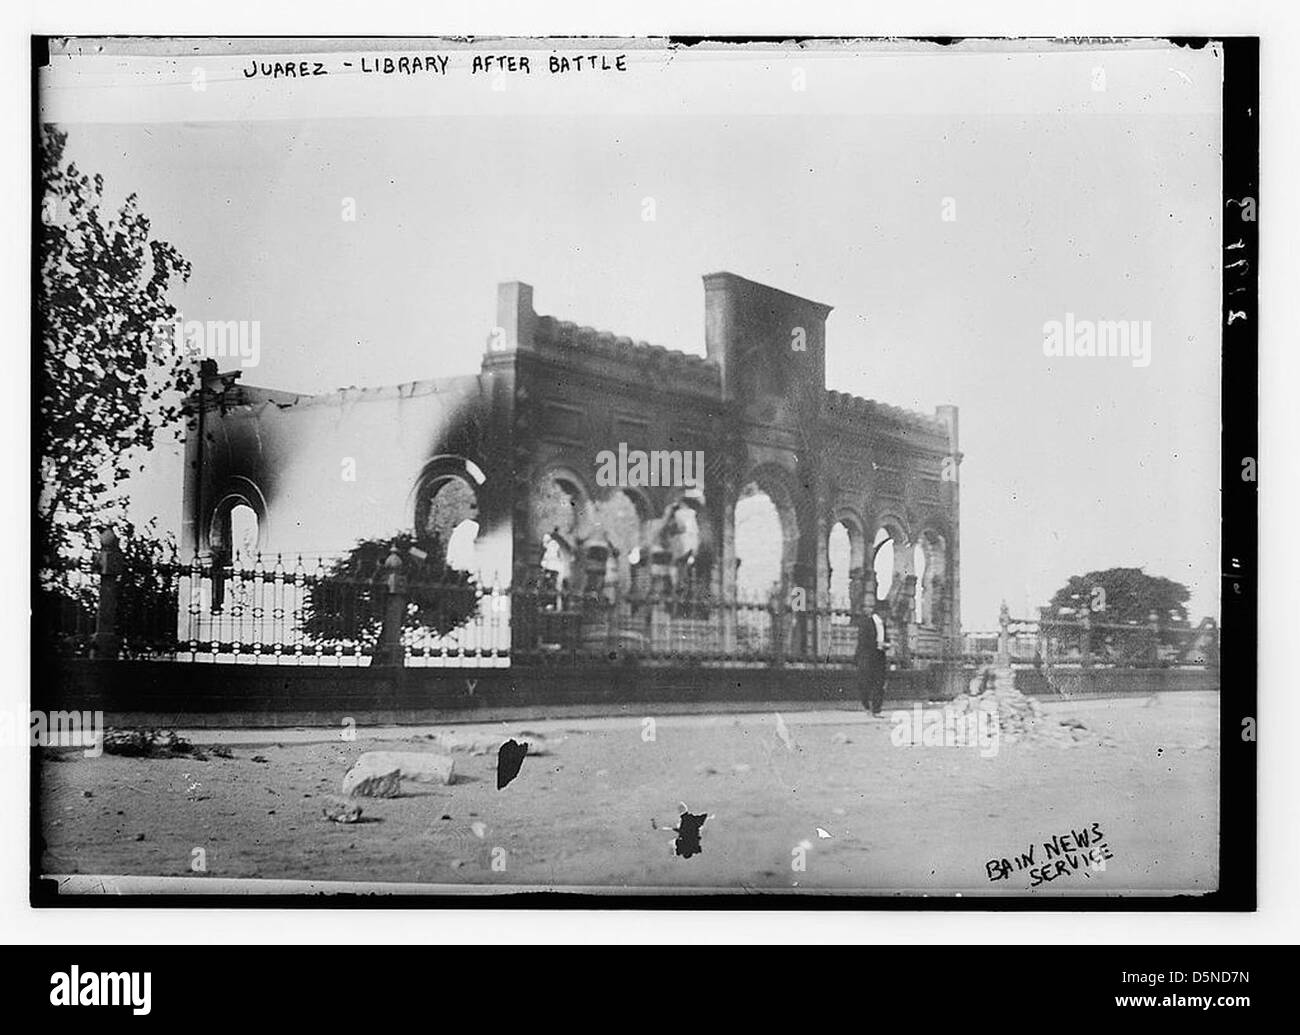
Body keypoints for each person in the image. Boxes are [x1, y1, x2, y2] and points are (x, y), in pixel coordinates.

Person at [856, 601, 889, 715]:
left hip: (880, 657)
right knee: (866, 683)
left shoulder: (883, 625)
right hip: (868, 657)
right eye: (886, 612)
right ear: (881, 612)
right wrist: (879, 644)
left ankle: (876, 709)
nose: (887, 615)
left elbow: (886, 639)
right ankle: (866, 705)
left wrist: (886, 645)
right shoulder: (867, 623)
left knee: (879, 683)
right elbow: (863, 641)